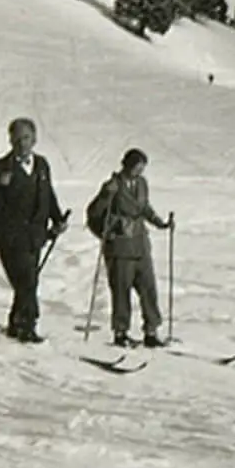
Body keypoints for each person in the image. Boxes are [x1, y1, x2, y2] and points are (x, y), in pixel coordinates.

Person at [0, 117, 67, 343]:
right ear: (10, 140)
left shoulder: (42, 165)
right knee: (27, 281)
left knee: (28, 280)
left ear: (34, 139)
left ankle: (16, 323)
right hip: (10, 236)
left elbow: (48, 195)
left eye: (25, 138)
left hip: (36, 236)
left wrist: (58, 218)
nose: (21, 143)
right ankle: (27, 325)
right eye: (16, 138)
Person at [95, 148, 173, 348]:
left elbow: (144, 207)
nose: (139, 172)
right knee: (121, 291)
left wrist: (159, 223)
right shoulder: (112, 186)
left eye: (142, 169)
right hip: (120, 247)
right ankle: (121, 333)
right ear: (127, 165)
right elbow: (94, 213)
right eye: (137, 168)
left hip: (140, 245)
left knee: (148, 289)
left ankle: (151, 331)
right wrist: (107, 233)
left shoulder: (142, 184)